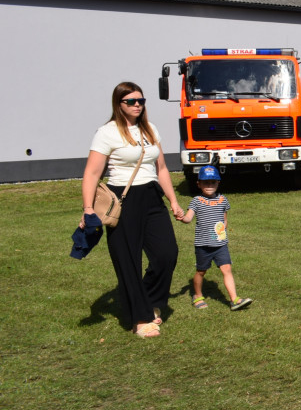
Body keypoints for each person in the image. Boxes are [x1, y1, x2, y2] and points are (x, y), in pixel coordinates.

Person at [80, 82, 184, 338]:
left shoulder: (150, 129)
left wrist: (172, 201)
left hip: (151, 197)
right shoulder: (107, 133)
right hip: (122, 200)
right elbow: (92, 173)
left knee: (166, 254)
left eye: (141, 100)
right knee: (129, 261)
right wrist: (88, 208)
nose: (137, 105)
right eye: (131, 101)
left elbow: (161, 169)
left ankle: (147, 300)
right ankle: (141, 318)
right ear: (119, 104)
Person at [179, 166, 253, 311]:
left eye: (213, 182)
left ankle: (234, 300)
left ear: (218, 183)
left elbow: (224, 220)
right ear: (198, 184)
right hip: (203, 245)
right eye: (205, 183)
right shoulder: (196, 201)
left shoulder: (223, 200)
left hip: (220, 245)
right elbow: (188, 218)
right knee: (201, 271)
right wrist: (181, 217)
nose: (209, 186)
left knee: (227, 269)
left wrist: (221, 230)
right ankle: (198, 295)